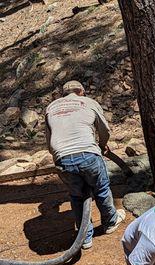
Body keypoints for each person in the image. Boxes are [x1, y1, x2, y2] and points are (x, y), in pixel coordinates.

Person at [45, 80, 125, 250]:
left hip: (63, 158)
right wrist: (102, 145)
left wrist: (61, 159)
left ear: (63, 94)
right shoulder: (89, 103)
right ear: (81, 91)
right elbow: (105, 130)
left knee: (77, 197)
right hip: (88, 154)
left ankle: (85, 238)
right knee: (101, 189)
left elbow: (49, 141)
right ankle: (110, 222)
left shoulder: (51, 107)